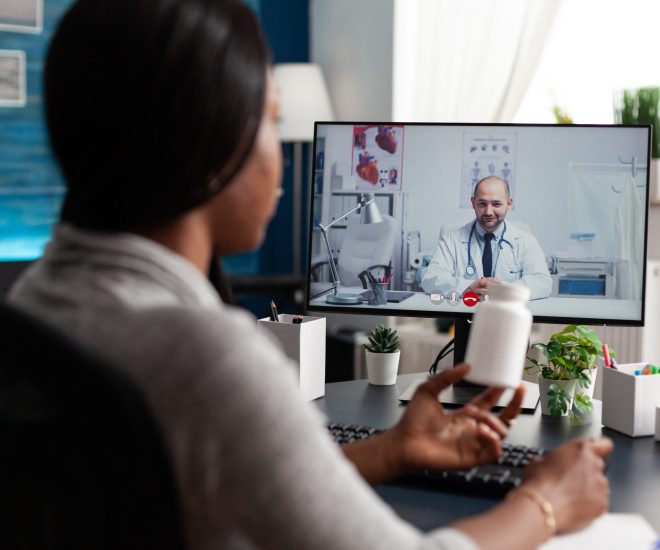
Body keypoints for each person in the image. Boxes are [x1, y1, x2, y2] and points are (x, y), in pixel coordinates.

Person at [8, 1, 612, 548]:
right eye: (270, 121)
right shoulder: (206, 357)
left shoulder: (38, 299)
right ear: (212, 143)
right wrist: (547, 503)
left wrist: (393, 450)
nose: (283, 163)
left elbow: (220, 484)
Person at [421, 176, 553, 300]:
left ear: (509, 203)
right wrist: (468, 287)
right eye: (482, 204)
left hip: (507, 315)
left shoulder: (526, 241)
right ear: (473, 202)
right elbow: (431, 278)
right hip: (463, 313)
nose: (489, 212)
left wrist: (507, 290)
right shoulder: (451, 239)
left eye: (496, 204)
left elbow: (542, 282)